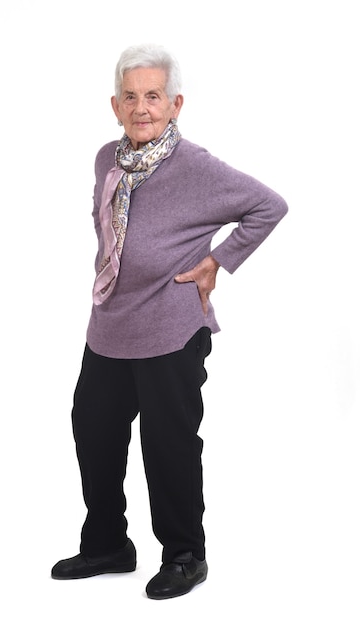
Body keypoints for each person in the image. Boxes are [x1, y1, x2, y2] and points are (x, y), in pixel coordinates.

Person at [51, 43, 288, 600]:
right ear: (115, 106)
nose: (142, 108)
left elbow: (269, 206)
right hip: (109, 324)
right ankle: (108, 542)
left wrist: (217, 262)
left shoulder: (196, 167)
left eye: (153, 96)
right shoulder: (106, 158)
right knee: (94, 432)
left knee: (169, 444)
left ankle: (185, 554)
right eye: (130, 97)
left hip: (171, 326)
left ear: (175, 103)